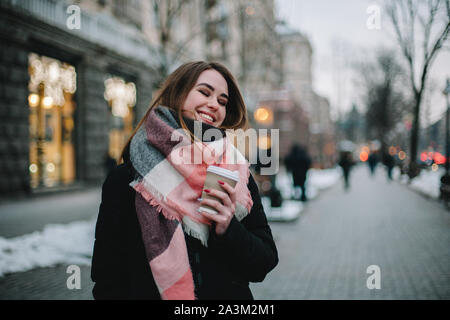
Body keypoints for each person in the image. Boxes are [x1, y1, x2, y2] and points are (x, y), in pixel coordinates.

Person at [91, 61, 278, 300]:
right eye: (204, 92)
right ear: (178, 93)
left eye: (222, 101)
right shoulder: (129, 178)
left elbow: (263, 262)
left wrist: (228, 229)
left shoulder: (237, 174)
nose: (214, 105)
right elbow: (108, 278)